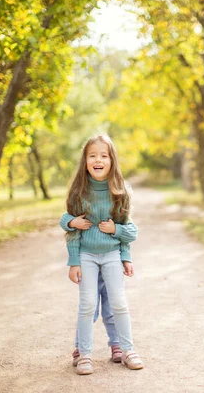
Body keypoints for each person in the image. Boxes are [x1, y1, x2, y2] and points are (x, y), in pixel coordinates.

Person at [60, 134, 143, 375]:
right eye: (92, 155)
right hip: (86, 256)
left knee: (118, 302)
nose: (98, 159)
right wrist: (74, 261)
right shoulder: (79, 192)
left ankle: (127, 349)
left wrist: (124, 254)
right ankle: (84, 354)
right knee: (87, 304)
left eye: (104, 155)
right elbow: (72, 231)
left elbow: (127, 230)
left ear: (112, 160)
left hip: (111, 256)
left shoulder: (120, 191)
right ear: (85, 161)